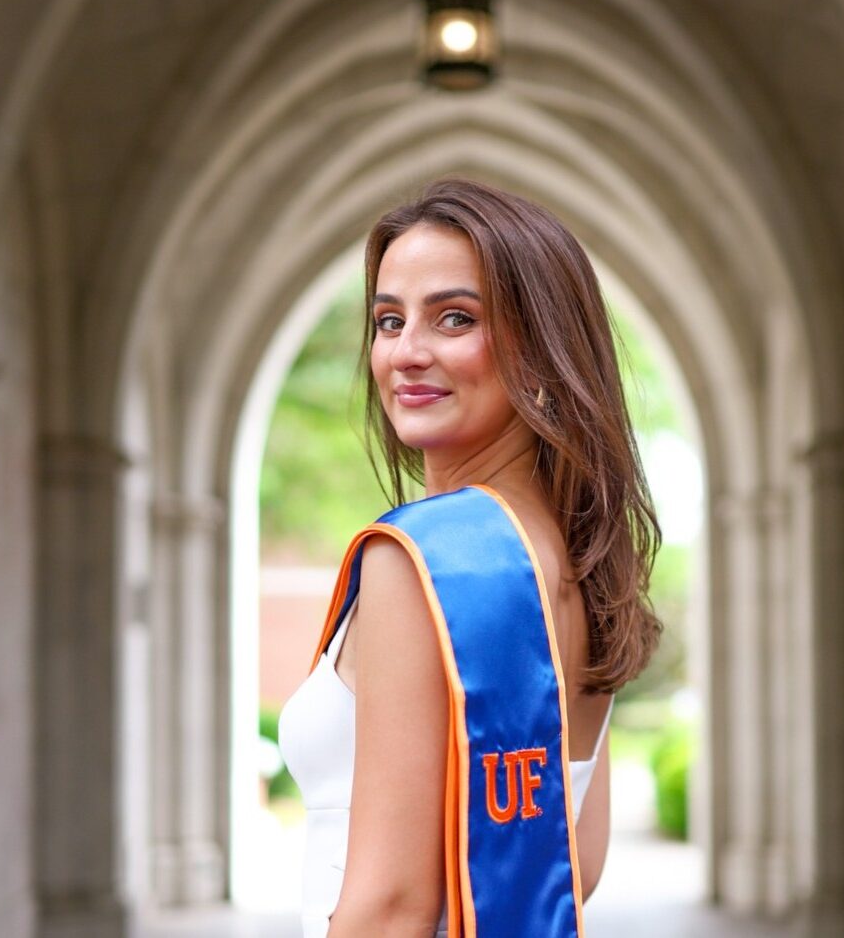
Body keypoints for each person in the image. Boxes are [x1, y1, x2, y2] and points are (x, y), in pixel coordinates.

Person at [278, 177, 662, 937]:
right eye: (389, 321)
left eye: (455, 319)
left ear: (543, 343)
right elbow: (574, 863)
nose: (406, 352)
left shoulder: (426, 560)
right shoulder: (582, 558)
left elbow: (391, 910)